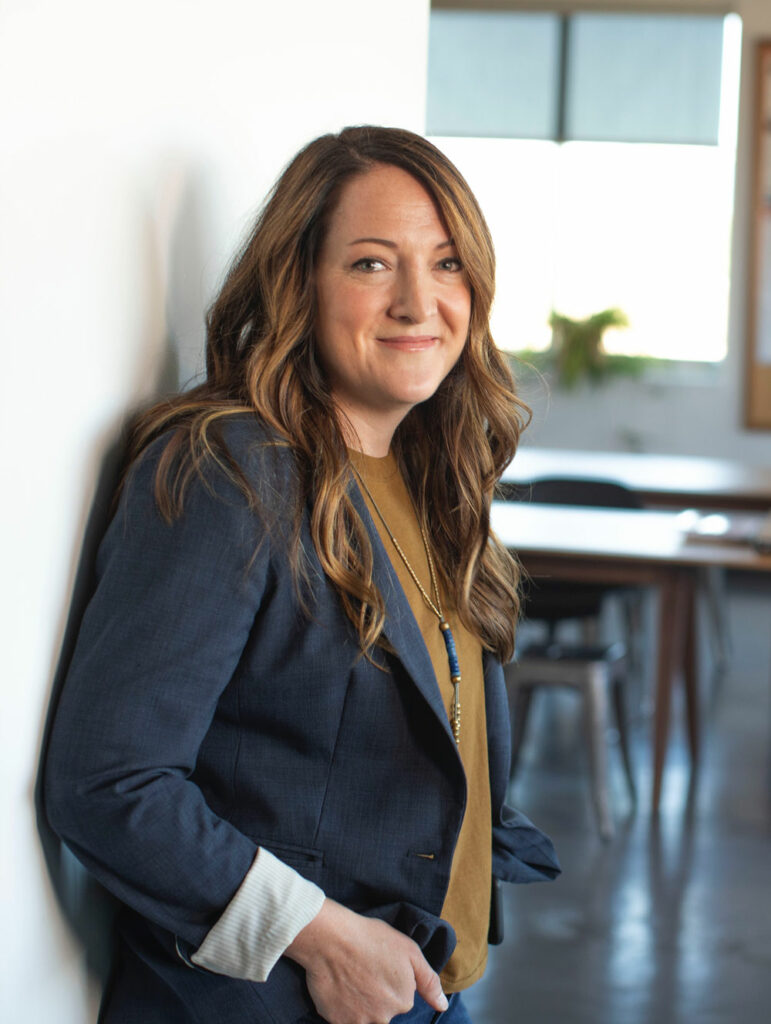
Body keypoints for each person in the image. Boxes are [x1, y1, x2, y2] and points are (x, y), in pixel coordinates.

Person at [44, 125, 559, 1024]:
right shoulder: (229, 470)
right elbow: (108, 780)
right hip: (291, 996)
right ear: (300, 283)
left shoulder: (427, 473)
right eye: (370, 264)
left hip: (423, 984)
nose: (417, 301)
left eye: (446, 265)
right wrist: (322, 935)